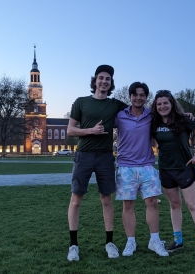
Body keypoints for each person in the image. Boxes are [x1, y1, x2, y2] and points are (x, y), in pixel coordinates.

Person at [66, 65, 128, 261]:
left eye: (108, 79)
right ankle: (73, 245)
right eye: (101, 78)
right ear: (95, 81)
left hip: (105, 157)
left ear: (111, 83)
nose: (104, 81)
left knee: (106, 200)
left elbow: (140, 112)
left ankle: (109, 242)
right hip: (83, 155)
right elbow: (70, 130)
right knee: (76, 200)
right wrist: (90, 131)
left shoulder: (115, 105)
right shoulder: (81, 102)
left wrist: (181, 114)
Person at [150, 90, 195, 259]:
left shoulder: (184, 119)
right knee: (174, 205)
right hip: (166, 169)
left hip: (184, 168)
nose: (162, 106)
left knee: (192, 204)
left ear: (172, 104)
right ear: (155, 106)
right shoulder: (154, 122)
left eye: (165, 103)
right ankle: (178, 240)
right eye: (159, 104)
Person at [115, 82, 168, 257]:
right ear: (130, 96)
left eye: (142, 95)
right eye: (135, 94)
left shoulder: (152, 115)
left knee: (152, 203)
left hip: (147, 166)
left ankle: (155, 241)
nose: (139, 97)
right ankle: (131, 242)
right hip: (125, 167)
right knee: (128, 205)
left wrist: (187, 115)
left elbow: (171, 116)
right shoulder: (120, 116)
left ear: (146, 97)